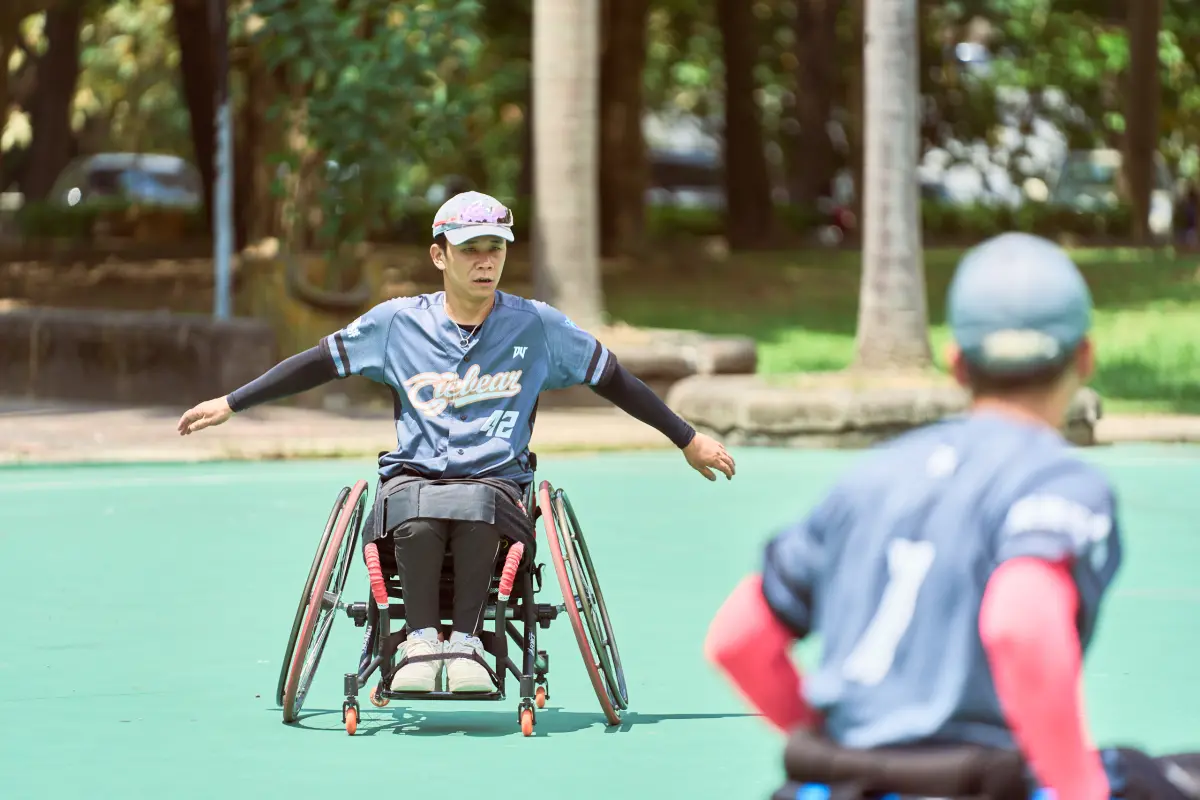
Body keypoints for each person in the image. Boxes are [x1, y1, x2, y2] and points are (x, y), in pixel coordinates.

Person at [703, 233, 1199, 800]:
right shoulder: (1058, 481)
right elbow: (1021, 623)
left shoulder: (869, 477)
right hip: (972, 780)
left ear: (957, 363)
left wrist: (837, 750)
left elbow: (738, 638)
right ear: (1084, 357)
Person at [178, 190, 736, 695]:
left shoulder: (537, 326)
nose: (485, 261)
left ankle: (466, 644)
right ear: (440, 255)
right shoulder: (396, 324)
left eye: (495, 248)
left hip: (498, 483)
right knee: (417, 514)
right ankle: (420, 643)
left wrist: (686, 439)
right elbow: (318, 363)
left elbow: (612, 377)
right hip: (413, 478)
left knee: (476, 507)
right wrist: (233, 402)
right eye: (470, 249)